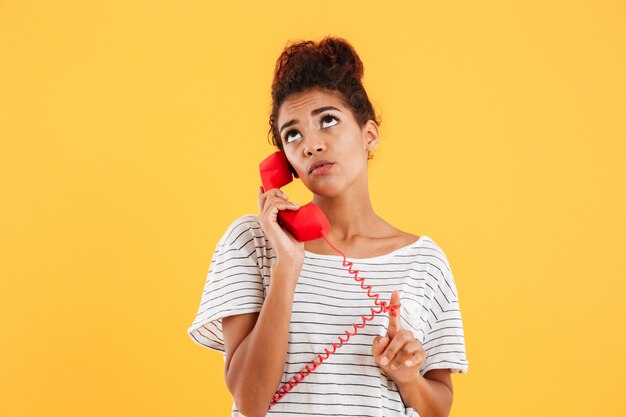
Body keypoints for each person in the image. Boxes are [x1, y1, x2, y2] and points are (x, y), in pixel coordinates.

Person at [187, 36, 469, 417]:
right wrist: (287, 267)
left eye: (328, 121)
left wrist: (408, 378)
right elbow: (250, 401)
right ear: (283, 163)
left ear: (369, 135)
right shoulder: (252, 241)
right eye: (293, 134)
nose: (311, 144)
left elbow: (439, 409)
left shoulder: (425, 261)